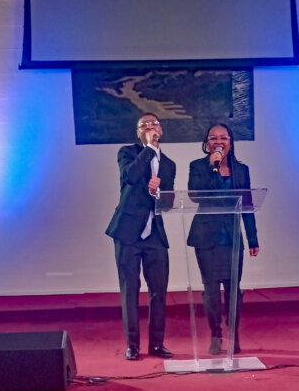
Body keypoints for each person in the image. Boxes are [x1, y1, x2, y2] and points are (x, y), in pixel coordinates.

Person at [105, 113, 176, 360]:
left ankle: (157, 344)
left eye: (154, 123)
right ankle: (132, 345)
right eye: (144, 125)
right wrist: (147, 148)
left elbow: (168, 204)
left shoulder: (168, 164)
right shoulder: (127, 153)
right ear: (138, 133)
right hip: (127, 233)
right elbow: (131, 177)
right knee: (130, 290)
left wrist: (158, 194)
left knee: (159, 291)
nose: (149, 126)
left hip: (154, 234)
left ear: (161, 129)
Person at [187, 123, 259, 355]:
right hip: (206, 237)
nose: (219, 142)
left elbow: (247, 204)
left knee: (233, 289)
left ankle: (233, 333)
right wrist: (212, 168)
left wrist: (253, 239)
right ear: (207, 143)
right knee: (210, 290)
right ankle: (216, 335)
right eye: (213, 138)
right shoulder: (197, 166)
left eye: (224, 138)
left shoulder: (242, 170)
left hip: (231, 238)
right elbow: (195, 196)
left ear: (231, 142)